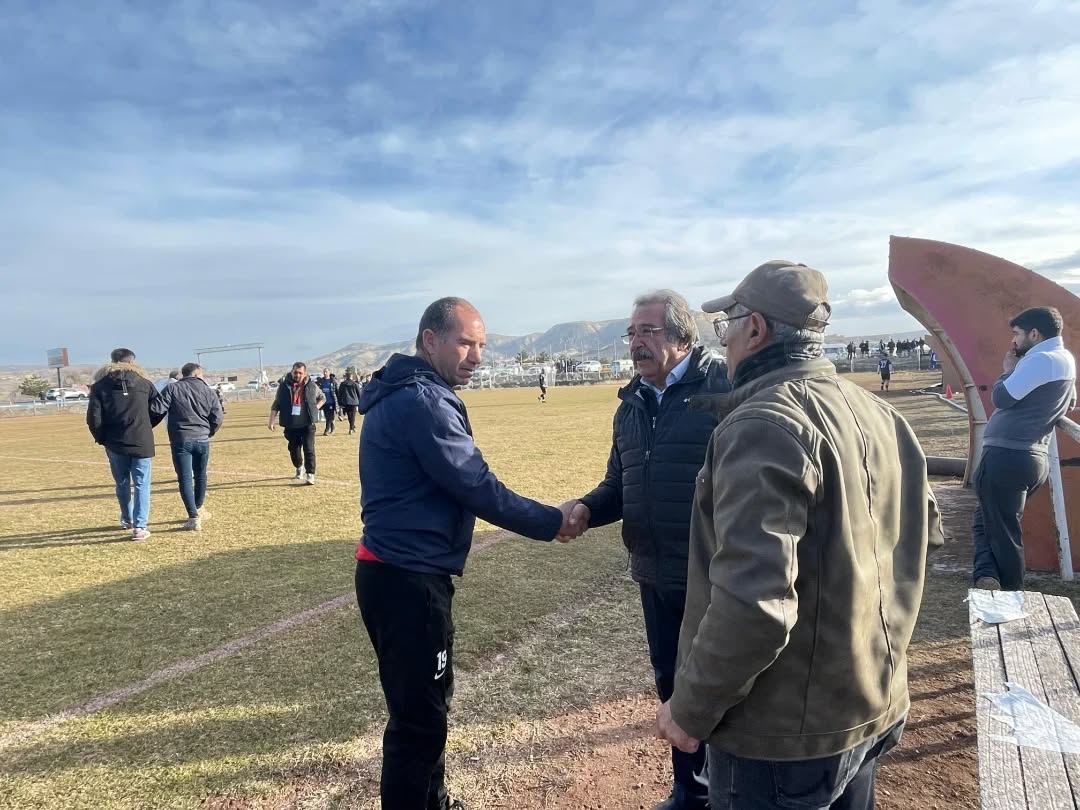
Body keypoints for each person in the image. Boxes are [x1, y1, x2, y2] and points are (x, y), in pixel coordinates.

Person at [654, 260, 943, 810]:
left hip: (784, 737)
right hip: (871, 700)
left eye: (727, 325)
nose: (724, 340)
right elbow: (920, 540)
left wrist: (689, 709)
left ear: (755, 329)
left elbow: (754, 605)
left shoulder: (762, 424)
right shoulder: (880, 414)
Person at [354, 296, 576, 810]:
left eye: (482, 345)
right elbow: (475, 485)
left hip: (400, 573)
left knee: (426, 707)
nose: (476, 356)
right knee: (419, 721)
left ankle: (433, 801)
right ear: (430, 340)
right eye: (465, 343)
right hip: (407, 577)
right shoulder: (423, 401)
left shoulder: (410, 393)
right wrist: (552, 521)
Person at [560, 290, 727, 810]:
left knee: (724, 687)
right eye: (631, 333)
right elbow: (621, 484)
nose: (636, 342)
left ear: (683, 336)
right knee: (672, 685)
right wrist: (586, 508)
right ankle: (691, 793)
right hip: (654, 573)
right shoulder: (631, 404)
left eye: (647, 331)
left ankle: (730, 792)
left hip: (715, 576)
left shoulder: (724, 387)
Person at [972, 306, 1077, 591]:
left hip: (1008, 455)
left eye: (1017, 334)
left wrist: (1008, 371)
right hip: (1030, 455)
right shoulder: (1064, 359)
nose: (1013, 341)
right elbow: (1070, 402)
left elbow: (1002, 397)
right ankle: (987, 577)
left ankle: (1010, 595)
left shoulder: (1041, 359)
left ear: (1035, 333)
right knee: (986, 520)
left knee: (1004, 533)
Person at [86, 348, 164, 541]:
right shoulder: (144, 383)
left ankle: (128, 518)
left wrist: (102, 438)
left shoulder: (99, 386)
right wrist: (146, 425)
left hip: (114, 442)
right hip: (141, 440)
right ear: (131, 362)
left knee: (122, 482)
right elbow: (158, 408)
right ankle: (140, 526)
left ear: (112, 361)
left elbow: (94, 418)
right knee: (142, 483)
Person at [151, 362, 224, 531]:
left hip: (181, 438)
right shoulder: (208, 390)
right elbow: (218, 416)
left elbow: (157, 409)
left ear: (183, 375)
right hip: (202, 438)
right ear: (197, 374)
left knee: (184, 478)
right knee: (201, 475)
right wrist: (209, 431)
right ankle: (198, 507)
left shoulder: (172, 388)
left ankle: (193, 515)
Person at [267, 362, 325, 484]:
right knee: (294, 450)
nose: (297, 375)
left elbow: (322, 398)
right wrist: (271, 421)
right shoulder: (284, 386)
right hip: (291, 424)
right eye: (295, 372)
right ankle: (299, 466)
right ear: (292, 372)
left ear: (305, 374)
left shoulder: (311, 386)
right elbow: (276, 404)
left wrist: (315, 408)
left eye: (300, 373)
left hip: (307, 424)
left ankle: (310, 474)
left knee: (309, 449)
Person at [317, 368, 337, 435]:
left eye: (326, 372)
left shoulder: (332, 381)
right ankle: (332, 428)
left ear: (329, 372)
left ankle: (327, 430)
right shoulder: (321, 381)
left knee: (330, 416)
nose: (325, 373)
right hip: (323, 402)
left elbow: (336, 391)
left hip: (331, 402)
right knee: (327, 416)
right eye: (324, 372)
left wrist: (338, 401)